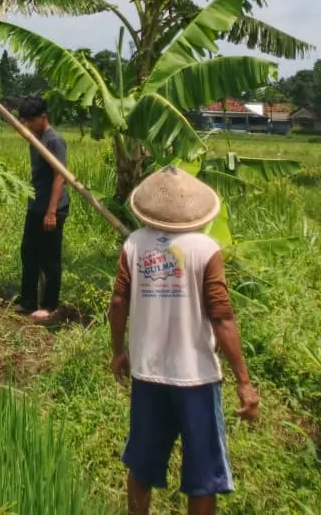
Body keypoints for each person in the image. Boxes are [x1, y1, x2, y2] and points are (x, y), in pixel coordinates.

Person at [109, 166, 259, 515]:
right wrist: (244, 381)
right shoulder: (205, 248)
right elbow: (221, 316)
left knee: (142, 465)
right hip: (196, 378)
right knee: (202, 475)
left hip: (147, 374)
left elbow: (118, 303)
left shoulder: (135, 244)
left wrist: (118, 351)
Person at [17, 96, 68, 320]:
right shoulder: (34, 137)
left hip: (52, 207)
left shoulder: (54, 141)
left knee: (49, 258)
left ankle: (49, 306)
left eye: (30, 120)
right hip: (36, 205)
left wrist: (51, 212)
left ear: (43, 118)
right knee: (29, 252)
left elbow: (60, 177)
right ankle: (28, 301)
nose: (27, 124)